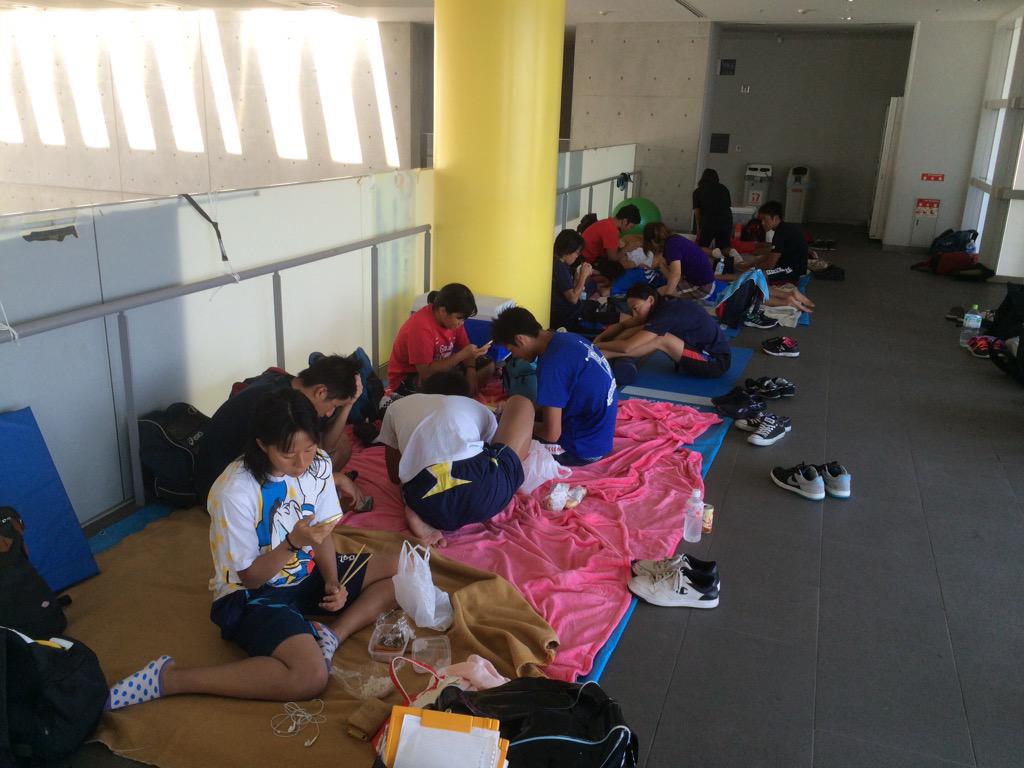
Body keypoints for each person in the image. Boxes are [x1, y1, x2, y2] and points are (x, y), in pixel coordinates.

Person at [105, 389, 399, 710]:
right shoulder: (234, 490)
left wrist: (332, 582)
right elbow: (250, 577)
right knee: (310, 677)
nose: (302, 463)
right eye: (288, 454)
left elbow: (322, 533)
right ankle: (171, 678)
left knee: (402, 570)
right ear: (262, 444)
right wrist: (292, 543)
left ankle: (332, 636)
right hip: (251, 595)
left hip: (304, 571)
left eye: (309, 449)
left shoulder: (318, 465)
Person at [376, 371, 534, 547]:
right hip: (485, 493)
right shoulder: (476, 407)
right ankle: (508, 477)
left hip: (425, 496)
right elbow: (492, 449)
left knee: (410, 481)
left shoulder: (396, 407)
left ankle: (415, 509)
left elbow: (394, 475)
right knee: (521, 402)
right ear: (465, 397)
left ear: (424, 392)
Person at [195, 354, 365, 508]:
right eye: (334, 406)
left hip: (236, 467)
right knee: (316, 455)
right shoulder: (280, 407)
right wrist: (331, 480)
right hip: (220, 487)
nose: (329, 413)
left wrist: (348, 404)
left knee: (341, 444)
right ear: (321, 392)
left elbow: (324, 447)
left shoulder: (291, 386)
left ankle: (317, 492)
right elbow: (280, 463)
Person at [492, 307, 617, 467]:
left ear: (520, 339)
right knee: (520, 412)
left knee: (505, 443)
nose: (515, 356)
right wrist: (518, 411)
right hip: (599, 436)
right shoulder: (565, 339)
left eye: (511, 350)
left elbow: (551, 434)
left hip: (583, 450)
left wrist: (514, 422)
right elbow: (553, 398)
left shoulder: (552, 365)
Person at [595, 284, 732, 379]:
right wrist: (600, 339)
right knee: (641, 329)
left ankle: (604, 356)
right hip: (700, 352)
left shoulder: (666, 314)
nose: (634, 314)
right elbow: (623, 326)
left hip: (715, 362)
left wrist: (598, 347)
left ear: (650, 300)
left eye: (636, 308)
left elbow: (627, 347)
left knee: (660, 338)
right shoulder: (660, 305)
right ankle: (604, 353)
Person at [387, 283, 493, 397]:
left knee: (488, 366)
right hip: (410, 377)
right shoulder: (421, 327)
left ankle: (460, 396)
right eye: (459, 318)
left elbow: (465, 347)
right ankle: (458, 397)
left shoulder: (454, 322)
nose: (462, 323)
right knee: (452, 388)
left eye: (464, 319)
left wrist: (471, 369)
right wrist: (462, 355)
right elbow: (426, 374)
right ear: (443, 311)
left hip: (439, 369)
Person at [643, 222, 715, 300]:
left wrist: (667, 295)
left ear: (653, 241)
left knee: (660, 292)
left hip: (703, 287)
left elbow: (676, 274)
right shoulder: (674, 239)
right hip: (700, 279)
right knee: (664, 267)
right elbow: (674, 273)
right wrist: (661, 266)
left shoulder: (671, 247)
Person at [580, 204, 642, 281]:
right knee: (619, 270)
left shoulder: (608, 222)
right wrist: (626, 249)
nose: (630, 229)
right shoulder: (611, 230)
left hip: (586, 254)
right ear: (625, 221)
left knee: (622, 258)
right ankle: (594, 276)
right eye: (631, 226)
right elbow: (613, 258)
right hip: (587, 260)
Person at [551, 229, 593, 331]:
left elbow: (570, 289)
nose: (577, 256)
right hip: (566, 316)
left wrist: (578, 278)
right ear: (568, 250)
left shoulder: (562, 264)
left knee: (593, 303)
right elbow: (573, 299)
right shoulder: (559, 267)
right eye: (576, 253)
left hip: (569, 311)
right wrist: (583, 276)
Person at [692, 168, 734, 250]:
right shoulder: (724, 189)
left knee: (702, 247)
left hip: (708, 222)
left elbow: (697, 213)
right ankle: (727, 257)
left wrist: (698, 228)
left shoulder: (698, 191)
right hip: (726, 220)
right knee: (724, 248)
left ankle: (709, 256)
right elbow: (727, 207)